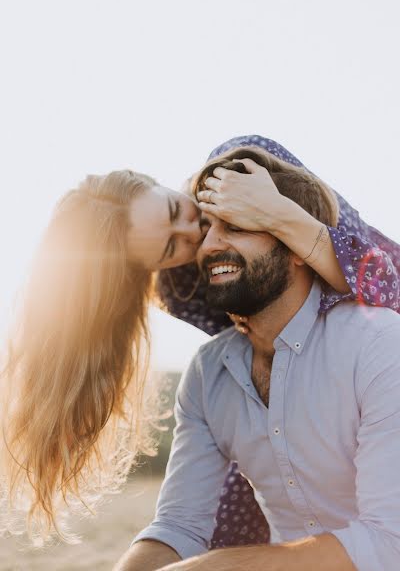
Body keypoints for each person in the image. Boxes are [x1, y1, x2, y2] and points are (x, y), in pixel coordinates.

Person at [0, 137, 398, 545]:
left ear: (155, 182)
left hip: (372, 360)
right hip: (294, 392)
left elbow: (386, 286)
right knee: (214, 537)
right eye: (172, 247)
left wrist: (279, 214)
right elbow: (250, 355)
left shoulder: (240, 166)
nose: (194, 234)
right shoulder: (180, 286)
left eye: (175, 209)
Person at [115, 146, 400, 571]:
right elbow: (178, 527)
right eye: (205, 229)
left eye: (235, 224)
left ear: (294, 239)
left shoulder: (377, 343)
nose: (204, 243)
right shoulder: (207, 372)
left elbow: (388, 544)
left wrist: (206, 568)